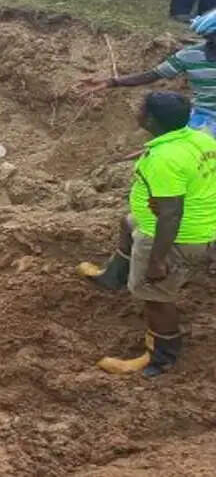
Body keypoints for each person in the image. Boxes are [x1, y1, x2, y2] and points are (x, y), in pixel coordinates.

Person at [76, 92, 216, 378]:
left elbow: (170, 215)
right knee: (127, 223)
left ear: (151, 119)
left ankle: (161, 355)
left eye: (141, 108)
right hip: (184, 222)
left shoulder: (163, 159)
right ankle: (114, 277)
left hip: (172, 236)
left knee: (155, 295)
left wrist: (157, 260)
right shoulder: (199, 139)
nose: (137, 110)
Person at [79, 11, 216, 134]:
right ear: (210, 37)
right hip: (204, 116)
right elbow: (153, 74)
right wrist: (112, 82)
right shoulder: (190, 56)